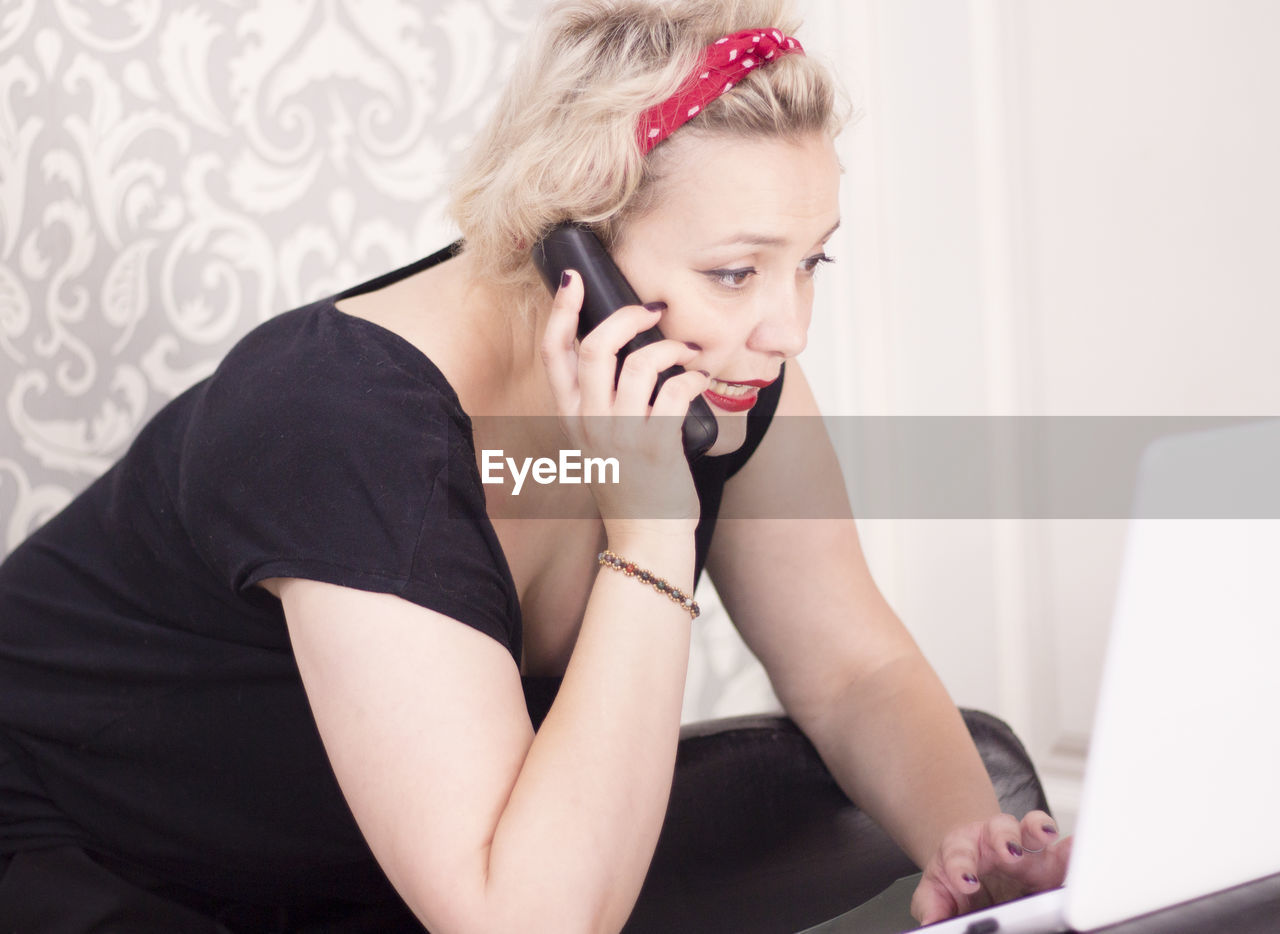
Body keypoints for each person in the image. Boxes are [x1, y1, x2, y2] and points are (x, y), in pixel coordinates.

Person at [0, 0, 1071, 930]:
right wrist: (648, 524)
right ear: (572, 251)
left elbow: (854, 671)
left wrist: (973, 852)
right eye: (735, 270)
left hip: (378, 861)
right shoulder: (341, 421)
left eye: (810, 262)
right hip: (79, 853)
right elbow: (525, 921)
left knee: (953, 764)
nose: (785, 328)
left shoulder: (715, 371)